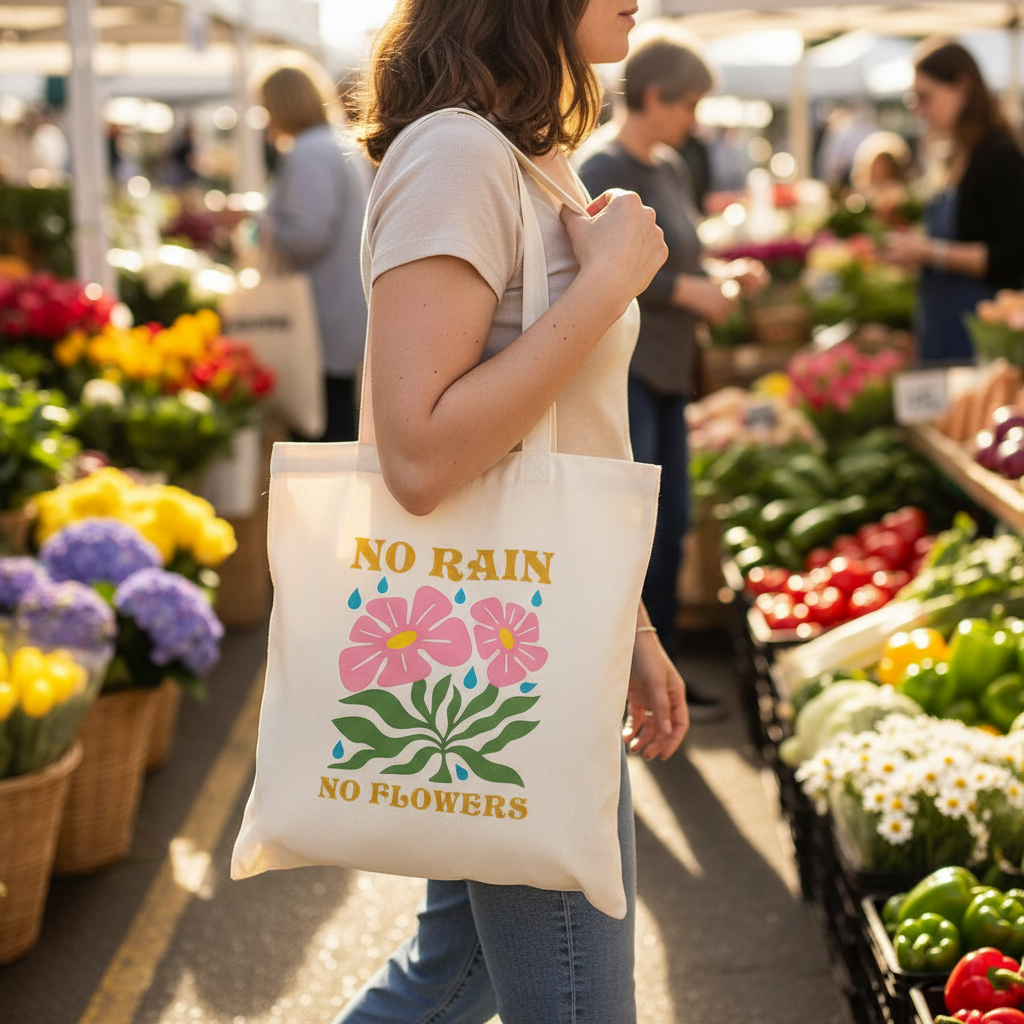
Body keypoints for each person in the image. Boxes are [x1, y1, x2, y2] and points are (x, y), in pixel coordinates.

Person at [333, 1, 689, 1021]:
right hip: (508, 659)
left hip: (532, 633)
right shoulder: (458, 156)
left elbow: (564, 434)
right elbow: (418, 451)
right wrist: (609, 283)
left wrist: (631, 621)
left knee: (454, 971)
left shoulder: (525, 160)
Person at [575, 24, 764, 721]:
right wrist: (688, 292)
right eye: (687, 105)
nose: (694, 120)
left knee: (672, 523)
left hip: (668, 369)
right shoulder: (597, 169)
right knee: (634, 528)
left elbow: (673, 255)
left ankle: (663, 677)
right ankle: (621, 685)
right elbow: (598, 272)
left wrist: (717, 274)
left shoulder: (672, 168)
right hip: (625, 370)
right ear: (653, 97)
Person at [882, 39, 1024, 364]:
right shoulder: (956, 154)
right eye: (913, 99)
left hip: (980, 338)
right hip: (941, 328)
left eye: (925, 97)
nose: (919, 110)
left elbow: (1012, 256)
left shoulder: (998, 156)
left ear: (962, 86)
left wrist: (929, 252)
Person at [259, 59, 372, 441]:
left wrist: (260, 226)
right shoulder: (335, 143)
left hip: (320, 314)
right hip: (339, 306)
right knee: (337, 420)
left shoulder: (309, 151)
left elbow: (307, 236)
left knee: (323, 429)